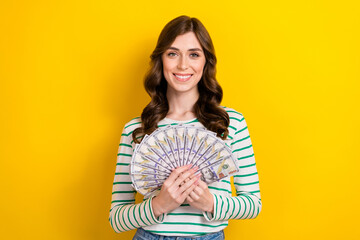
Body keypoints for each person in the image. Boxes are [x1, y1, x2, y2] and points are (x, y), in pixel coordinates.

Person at [109, 15, 262, 240]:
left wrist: (211, 203)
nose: (183, 65)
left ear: (205, 62)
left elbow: (253, 203)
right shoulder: (137, 130)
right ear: (161, 60)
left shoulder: (231, 123)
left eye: (194, 54)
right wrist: (159, 205)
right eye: (173, 54)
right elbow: (116, 218)